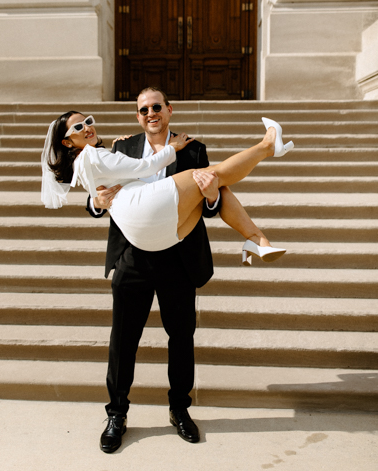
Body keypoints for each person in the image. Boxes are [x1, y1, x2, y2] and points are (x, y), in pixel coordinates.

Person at [41, 88, 294, 452]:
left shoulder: (192, 149)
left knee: (181, 337)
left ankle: (179, 409)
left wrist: (210, 196)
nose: (151, 113)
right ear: (138, 116)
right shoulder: (121, 147)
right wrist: (96, 202)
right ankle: (117, 414)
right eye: (144, 109)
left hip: (177, 254)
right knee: (123, 340)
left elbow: (209, 207)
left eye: (157, 107)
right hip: (133, 258)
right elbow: (97, 192)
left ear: (169, 111)